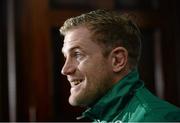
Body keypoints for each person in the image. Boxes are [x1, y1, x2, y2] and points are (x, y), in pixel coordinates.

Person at [59, 9, 180, 122]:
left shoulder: (156, 119)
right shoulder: (102, 116)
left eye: (78, 55)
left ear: (117, 60)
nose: (65, 70)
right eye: (66, 57)